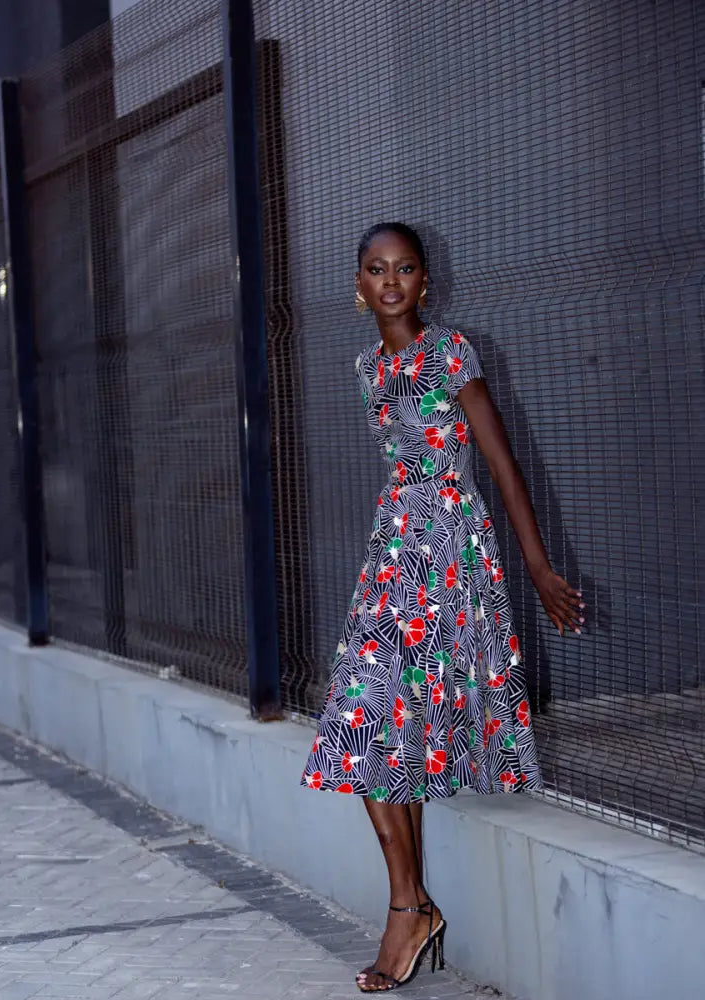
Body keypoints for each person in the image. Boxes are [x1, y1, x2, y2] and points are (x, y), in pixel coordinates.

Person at [300, 222, 584, 993]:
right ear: (357, 287)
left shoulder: (451, 352)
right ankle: (412, 903)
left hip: (448, 550)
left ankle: (404, 908)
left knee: (377, 716)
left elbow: (499, 460)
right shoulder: (366, 367)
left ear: (424, 281)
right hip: (392, 545)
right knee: (363, 716)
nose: (390, 281)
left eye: (405, 269)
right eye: (375, 270)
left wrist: (536, 564)